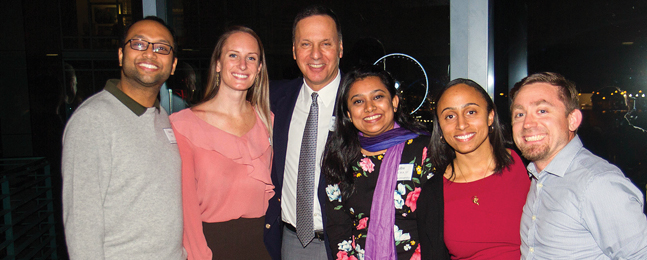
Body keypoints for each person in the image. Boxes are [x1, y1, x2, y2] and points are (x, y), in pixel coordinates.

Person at [62, 16, 183, 259]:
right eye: (139, 44)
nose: (149, 53)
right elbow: (82, 224)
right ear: (120, 55)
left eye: (161, 48)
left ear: (172, 65)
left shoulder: (160, 116)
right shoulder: (93, 120)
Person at [510, 72, 647, 259]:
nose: (527, 123)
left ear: (572, 120)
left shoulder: (598, 184)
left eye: (542, 111)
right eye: (519, 114)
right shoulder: (539, 178)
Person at [170, 26, 273, 260]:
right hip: (210, 249)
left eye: (251, 58)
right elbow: (185, 211)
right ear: (218, 63)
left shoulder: (268, 121)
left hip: (261, 249)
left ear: (258, 69)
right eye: (233, 55)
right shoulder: (183, 126)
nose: (242, 65)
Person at [322, 65, 430, 260]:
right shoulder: (341, 157)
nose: (369, 107)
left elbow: (437, 223)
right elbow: (338, 227)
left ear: (394, 102)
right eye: (358, 101)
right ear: (348, 113)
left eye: (378, 97)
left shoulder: (424, 151)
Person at [417, 79, 530, 259]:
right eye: (450, 116)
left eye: (471, 112)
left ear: (490, 116)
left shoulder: (525, 164)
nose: (461, 125)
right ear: (440, 127)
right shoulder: (433, 195)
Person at [264, 5, 343, 260]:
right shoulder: (275, 98)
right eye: (306, 44)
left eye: (326, 44)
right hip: (290, 242)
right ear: (294, 51)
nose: (316, 54)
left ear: (340, 48)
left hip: (345, 242)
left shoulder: (360, 102)